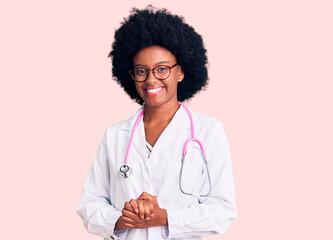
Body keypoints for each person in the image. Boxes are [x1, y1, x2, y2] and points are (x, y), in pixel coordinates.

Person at [76, 5, 237, 240]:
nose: (151, 79)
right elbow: (89, 203)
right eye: (141, 71)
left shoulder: (208, 131)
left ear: (181, 71)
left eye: (162, 69)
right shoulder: (115, 135)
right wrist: (120, 220)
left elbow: (223, 211)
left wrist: (166, 217)